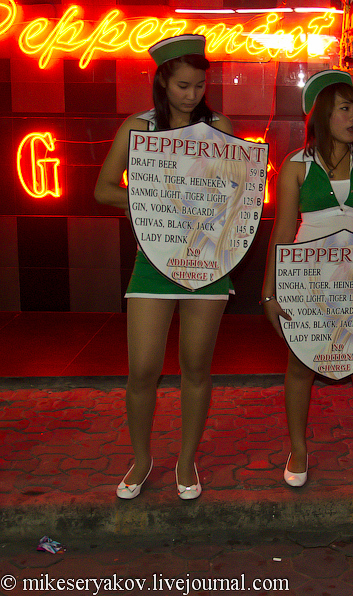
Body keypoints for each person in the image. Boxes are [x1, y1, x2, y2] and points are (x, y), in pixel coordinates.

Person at [94, 35, 234, 500]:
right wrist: (154, 199)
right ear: (162, 82)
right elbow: (103, 189)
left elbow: (240, 191)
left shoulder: (220, 127)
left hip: (208, 262)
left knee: (195, 368)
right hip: (152, 261)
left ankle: (187, 461)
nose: (192, 95)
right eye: (183, 86)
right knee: (144, 369)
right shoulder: (138, 128)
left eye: (199, 85)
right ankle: (140, 458)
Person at [261, 70, 353, 488]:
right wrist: (269, 292)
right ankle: (298, 449)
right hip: (308, 281)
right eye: (344, 108)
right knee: (301, 364)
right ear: (323, 114)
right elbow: (282, 231)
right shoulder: (295, 165)